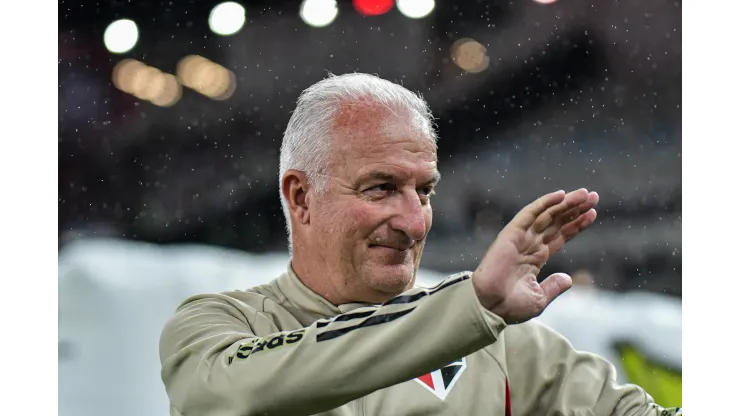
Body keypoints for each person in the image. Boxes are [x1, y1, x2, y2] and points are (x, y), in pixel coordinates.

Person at [159, 73, 682, 415]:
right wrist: (468, 310)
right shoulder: (220, 326)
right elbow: (224, 396)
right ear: (301, 197)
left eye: (425, 190)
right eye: (382, 187)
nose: (413, 221)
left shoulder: (506, 348)